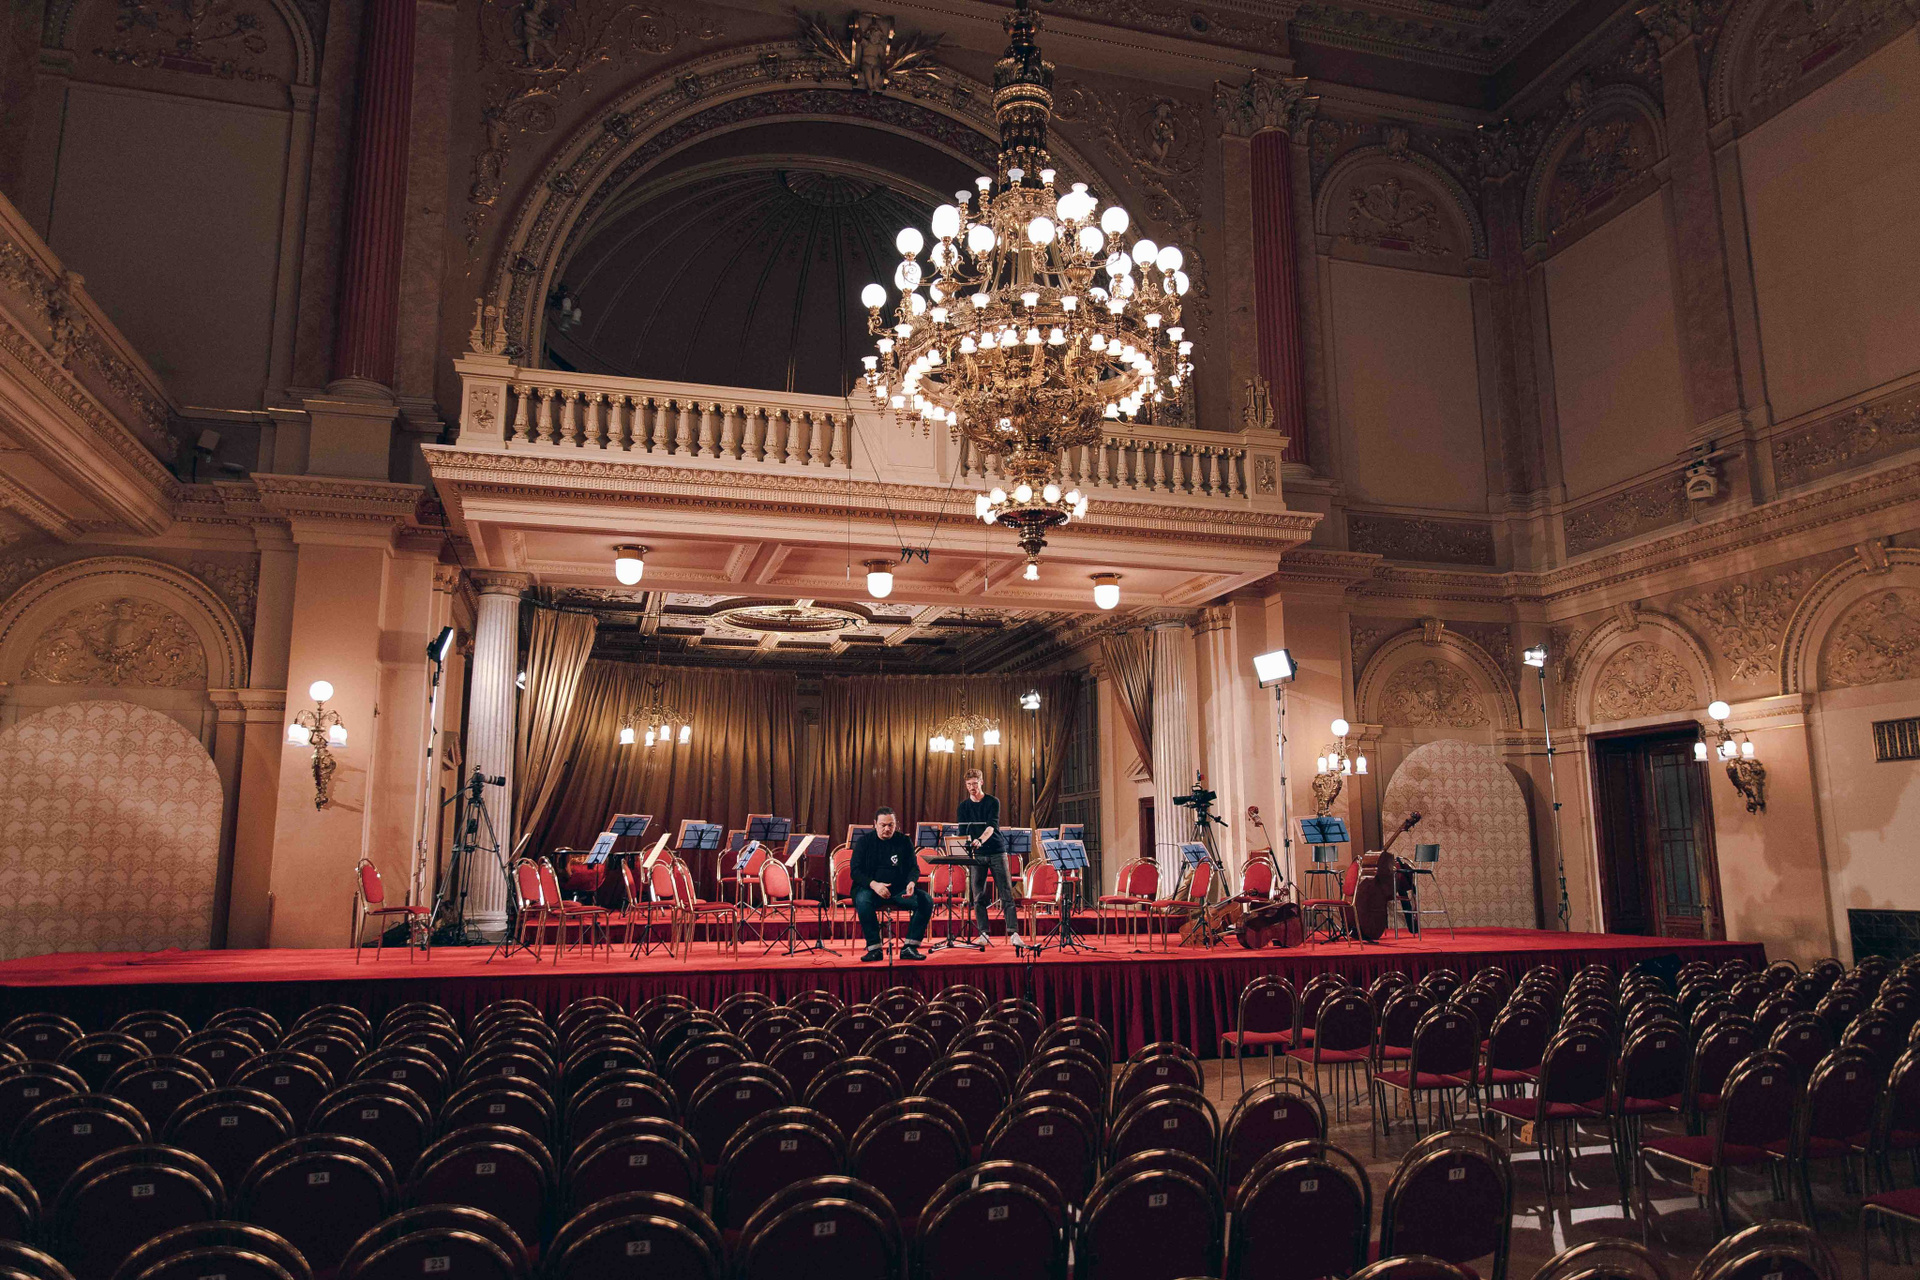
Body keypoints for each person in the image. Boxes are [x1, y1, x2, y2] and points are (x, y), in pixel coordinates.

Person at [849, 807, 931, 962]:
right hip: (871, 889)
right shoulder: (864, 842)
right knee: (862, 900)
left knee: (926, 900)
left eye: (890, 825)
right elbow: (855, 871)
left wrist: (912, 882)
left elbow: (914, 868)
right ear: (875, 824)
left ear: (895, 824)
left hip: (899, 890)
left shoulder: (904, 841)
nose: (887, 829)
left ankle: (910, 947)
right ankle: (874, 949)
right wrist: (874, 885)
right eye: (883, 825)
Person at [957, 768, 1024, 949]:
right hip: (977, 854)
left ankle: (1014, 933)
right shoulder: (963, 807)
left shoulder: (992, 801)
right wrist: (963, 844)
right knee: (978, 895)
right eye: (969, 784)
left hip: (996, 850)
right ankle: (983, 933)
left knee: (1006, 892)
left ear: (981, 782)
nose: (972, 787)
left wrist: (980, 840)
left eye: (975, 783)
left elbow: (991, 826)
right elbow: (962, 831)